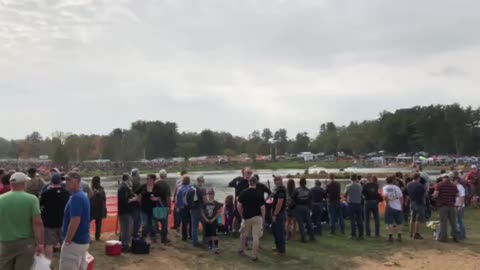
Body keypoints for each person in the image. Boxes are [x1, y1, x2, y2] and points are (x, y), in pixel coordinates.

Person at [0, 172, 45, 270]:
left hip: (5, 242)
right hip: (26, 243)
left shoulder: (1, 199)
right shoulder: (32, 199)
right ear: (24, 183)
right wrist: (40, 243)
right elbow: (37, 222)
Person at [59, 171, 91, 270]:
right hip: (82, 240)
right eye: (65, 180)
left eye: (69, 180)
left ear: (78, 182)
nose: (66, 182)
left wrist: (68, 239)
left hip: (74, 242)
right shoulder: (81, 195)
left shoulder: (77, 197)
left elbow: (75, 220)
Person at [40, 173, 70, 260]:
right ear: (61, 181)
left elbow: (40, 205)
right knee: (64, 243)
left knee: (49, 244)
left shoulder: (46, 193)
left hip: (49, 222)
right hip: (63, 221)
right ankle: (65, 260)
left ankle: (49, 262)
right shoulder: (66, 193)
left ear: (51, 182)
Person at [238, 176, 265, 262]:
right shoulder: (259, 193)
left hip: (246, 217)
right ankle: (254, 256)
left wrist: (241, 215)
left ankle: (242, 250)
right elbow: (263, 208)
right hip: (257, 217)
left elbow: (239, 206)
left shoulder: (243, 192)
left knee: (243, 234)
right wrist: (263, 218)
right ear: (256, 183)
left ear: (249, 183)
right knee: (256, 237)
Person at [433, 174, 458, 242]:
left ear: (443, 178)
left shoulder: (440, 185)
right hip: (451, 206)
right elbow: (457, 194)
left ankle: (443, 237)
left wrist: (434, 196)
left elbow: (435, 195)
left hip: (443, 206)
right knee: (453, 222)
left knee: (443, 222)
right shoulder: (453, 185)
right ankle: (455, 237)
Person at [117, 173, 138, 252]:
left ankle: (123, 244)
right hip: (125, 211)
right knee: (127, 229)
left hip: (122, 211)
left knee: (124, 229)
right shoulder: (124, 188)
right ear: (127, 179)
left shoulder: (122, 187)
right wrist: (134, 199)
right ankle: (125, 245)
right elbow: (126, 201)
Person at [292, 177, 315, 242]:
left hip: (298, 207)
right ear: (305, 183)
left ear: (300, 183)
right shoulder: (309, 191)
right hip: (306, 208)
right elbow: (311, 201)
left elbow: (293, 199)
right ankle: (312, 236)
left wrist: (293, 208)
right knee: (309, 222)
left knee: (301, 223)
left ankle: (303, 238)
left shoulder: (296, 190)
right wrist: (310, 209)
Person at [137, 174, 159, 242]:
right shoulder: (143, 186)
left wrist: (156, 198)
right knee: (145, 223)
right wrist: (139, 199)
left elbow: (161, 196)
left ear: (153, 180)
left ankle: (153, 236)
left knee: (153, 223)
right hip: (144, 208)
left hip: (153, 208)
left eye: (148, 179)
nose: (147, 180)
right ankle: (144, 237)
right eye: (147, 179)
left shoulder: (157, 187)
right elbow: (136, 193)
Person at [228, 168, 250, 234]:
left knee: (240, 215)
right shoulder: (238, 179)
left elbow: (229, 185)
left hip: (247, 200)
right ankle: (234, 230)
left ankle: (239, 229)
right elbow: (230, 184)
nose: (247, 173)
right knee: (236, 215)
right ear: (243, 172)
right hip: (239, 200)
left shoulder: (249, 180)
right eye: (246, 172)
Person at [201, 189, 223, 254]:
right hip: (207, 221)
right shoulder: (205, 203)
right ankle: (210, 246)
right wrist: (206, 219)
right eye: (209, 194)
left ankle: (216, 247)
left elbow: (219, 213)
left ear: (214, 195)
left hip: (214, 221)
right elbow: (202, 212)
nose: (210, 195)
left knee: (214, 234)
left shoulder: (216, 203)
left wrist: (215, 219)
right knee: (208, 234)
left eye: (211, 194)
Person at [383, 176, 404, 242]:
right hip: (397, 206)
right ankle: (399, 236)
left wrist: (387, 203)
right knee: (399, 222)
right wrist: (401, 206)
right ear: (392, 181)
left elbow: (385, 196)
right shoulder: (397, 187)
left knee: (390, 222)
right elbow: (401, 197)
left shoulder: (385, 187)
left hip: (390, 206)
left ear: (386, 181)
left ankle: (390, 236)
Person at [406, 173, 426, 240]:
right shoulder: (420, 186)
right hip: (419, 203)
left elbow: (406, 193)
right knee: (418, 219)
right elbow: (424, 194)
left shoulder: (408, 184)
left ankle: (410, 233)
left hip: (412, 202)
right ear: (418, 178)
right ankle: (416, 234)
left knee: (412, 218)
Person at [188, 176, 207, 247]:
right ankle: (205, 241)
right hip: (201, 209)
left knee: (194, 226)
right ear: (203, 181)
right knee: (205, 225)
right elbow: (205, 200)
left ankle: (194, 242)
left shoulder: (192, 188)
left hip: (193, 209)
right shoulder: (203, 189)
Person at [154, 169, 171, 244]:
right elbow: (168, 197)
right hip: (163, 206)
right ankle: (163, 239)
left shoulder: (155, 183)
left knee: (155, 222)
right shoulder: (166, 185)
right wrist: (169, 207)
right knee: (164, 223)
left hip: (155, 205)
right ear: (165, 176)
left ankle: (154, 237)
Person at [271, 175, 287, 255]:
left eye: (277, 179)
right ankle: (278, 247)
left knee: (279, 232)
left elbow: (279, 203)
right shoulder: (277, 189)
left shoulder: (281, 190)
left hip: (279, 214)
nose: (275, 181)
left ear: (280, 180)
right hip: (276, 213)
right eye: (274, 180)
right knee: (274, 231)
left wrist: (275, 214)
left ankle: (281, 250)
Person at [345, 174, 364, 240]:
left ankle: (353, 234)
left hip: (351, 204)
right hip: (358, 203)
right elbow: (361, 194)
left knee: (352, 220)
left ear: (351, 179)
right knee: (359, 219)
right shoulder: (360, 186)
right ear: (356, 178)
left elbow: (345, 194)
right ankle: (361, 235)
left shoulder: (348, 186)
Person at [176, 175, 194, 241]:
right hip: (190, 207)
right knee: (191, 222)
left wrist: (177, 207)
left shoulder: (180, 189)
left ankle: (184, 237)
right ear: (189, 181)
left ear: (183, 181)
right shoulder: (191, 188)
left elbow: (177, 199)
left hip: (182, 207)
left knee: (184, 222)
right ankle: (191, 236)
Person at [90, 176, 107, 241]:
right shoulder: (101, 188)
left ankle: (91, 236)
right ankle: (97, 237)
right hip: (99, 208)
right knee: (98, 224)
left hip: (92, 208)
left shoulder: (91, 188)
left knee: (89, 223)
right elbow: (103, 197)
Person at [452, 176, 466, 240]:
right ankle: (460, 234)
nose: (452, 182)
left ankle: (462, 235)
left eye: (453, 180)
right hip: (455, 205)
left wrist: (460, 206)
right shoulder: (454, 187)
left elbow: (463, 197)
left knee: (460, 221)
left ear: (456, 180)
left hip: (459, 206)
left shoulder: (460, 187)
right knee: (456, 220)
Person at [130, 169, 142, 237]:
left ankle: (133, 232)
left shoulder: (129, 182)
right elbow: (139, 195)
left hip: (130, 204)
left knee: (132, 220)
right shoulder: (137, 183)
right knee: (137, 220)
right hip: (136, 205)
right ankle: (135, 233)